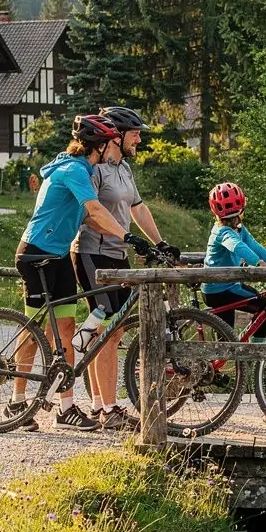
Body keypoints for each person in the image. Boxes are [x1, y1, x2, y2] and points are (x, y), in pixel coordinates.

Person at [9, 113, 152, 431]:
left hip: (58, 255)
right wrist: (127, 236)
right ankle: (17, 402)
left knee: (66, 330)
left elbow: (86, 216)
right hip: (35, 254)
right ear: (99, 145)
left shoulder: (82, 169)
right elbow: (95, 210)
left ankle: (66, 408)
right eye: (106, 143)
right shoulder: (73, 169)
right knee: (35, 330)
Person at [72, 105, 179, 429]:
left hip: (118, 255)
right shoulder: (97, 170)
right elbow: (89, 212)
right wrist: (127, 237)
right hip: (93, 253)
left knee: (111, 332)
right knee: (108, 331)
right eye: (135, 134)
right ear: (116, 136)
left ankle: (98, 406)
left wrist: (159, 243)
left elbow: (138, 208)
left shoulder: (124, 169)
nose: (140, 139)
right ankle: (107, 408)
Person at [203, 182, 266, 335]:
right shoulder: (223, 232)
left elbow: (254, 246)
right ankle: (253, 354)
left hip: (226, 287)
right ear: (241, 209)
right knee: (264, 308)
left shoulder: (239, 229)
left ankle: (237, 356)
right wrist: (259, 263)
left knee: (226, 337)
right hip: (221, 291)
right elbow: (237, 246)